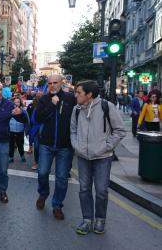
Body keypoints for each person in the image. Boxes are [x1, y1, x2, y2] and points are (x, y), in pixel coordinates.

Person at [71, 80, 126, 235]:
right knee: (84, 189)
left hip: (103, 157)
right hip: (83, 156)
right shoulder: (76, 109)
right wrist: (77, 145)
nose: (76, 95)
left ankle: (100, 219)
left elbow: (120, 130)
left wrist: (106, 146)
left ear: (89, 95)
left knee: (101, 190)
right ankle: (87, 220)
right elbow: (73, 131)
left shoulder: (106, 107)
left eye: (78, 92)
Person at [34, 74, 76, 220]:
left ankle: (57, 205)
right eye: (50, 83)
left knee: (61, 178)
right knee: (43, 172)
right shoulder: (44, 99)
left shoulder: (71, 99)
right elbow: (38, 118)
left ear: (62, 83)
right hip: (46, 144)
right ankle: (43, 193)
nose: (52, 85)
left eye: (55, 82)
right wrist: (52, 105)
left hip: (65, 146)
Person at [9, 97, 29, 163]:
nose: (16, 103)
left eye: (18, 102)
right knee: (11, 144)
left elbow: (27, 120)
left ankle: (22, 155)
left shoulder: (23, 110)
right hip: (11, 130)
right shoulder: (10, 110)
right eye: (15, 102)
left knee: (20, 144)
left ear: (20, 103)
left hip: (20, 130)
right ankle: (11, 157)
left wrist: (27, 130)